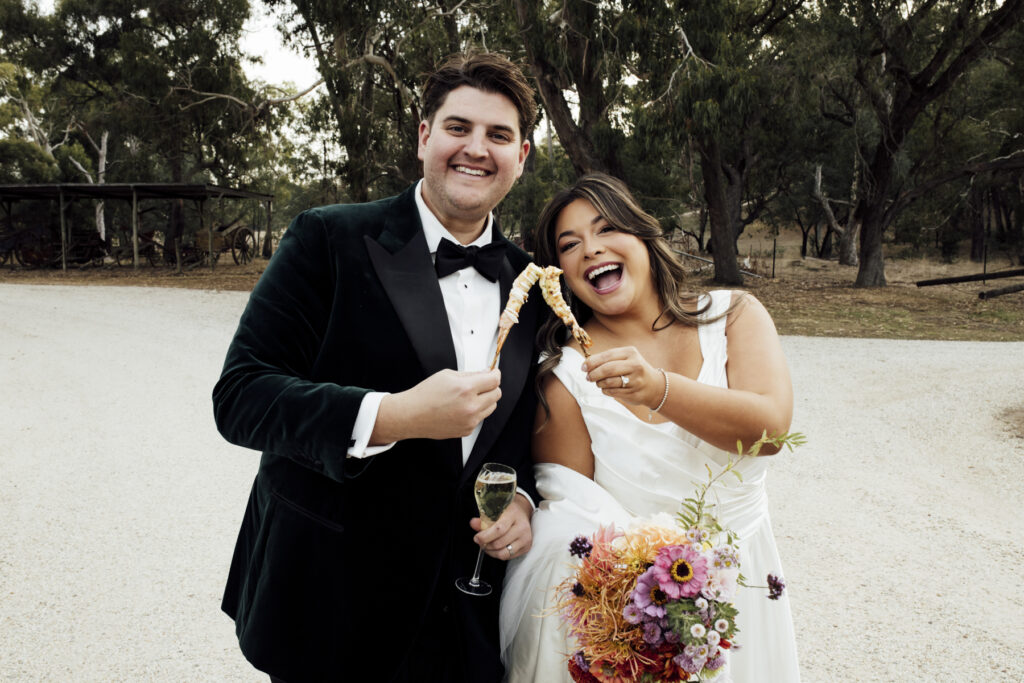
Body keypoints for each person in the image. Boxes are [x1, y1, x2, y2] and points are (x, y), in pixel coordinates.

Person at [213, 52, 543, 683]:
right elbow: (241, 395)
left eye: (498, 136)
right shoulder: (326, 239)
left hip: (465, 618)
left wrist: (523, 500)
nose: (476, 148)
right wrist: (392, 416)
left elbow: (524, 428)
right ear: (424, 136)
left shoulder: (532, 282)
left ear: (521, 156)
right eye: (458, 127)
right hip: (332, 599)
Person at [500, 174, 801, 681]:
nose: (590, 250)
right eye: (569, 245)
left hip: (743, 581)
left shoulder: (733, 316)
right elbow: (568, 515)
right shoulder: (564, 375)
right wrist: (637, 614)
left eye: (605, 229)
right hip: (636, 613)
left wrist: (658, 388)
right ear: (562, 276)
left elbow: (769, 433)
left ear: (643, 237)